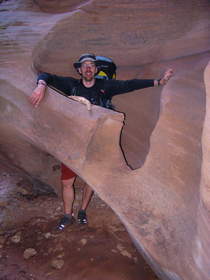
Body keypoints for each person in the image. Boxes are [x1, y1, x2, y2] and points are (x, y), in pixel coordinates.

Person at [30, 53, 173, 230]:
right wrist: (41, 86)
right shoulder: (71, 85)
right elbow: (46, 76)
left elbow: (130, 85)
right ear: (79, 70)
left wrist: (159, 82)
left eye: (92, 65)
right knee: (67, 182)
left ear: (96, 69)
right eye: (85, 65)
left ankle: (82, 211)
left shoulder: (106, 85)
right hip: (73, 141)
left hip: (97, 141)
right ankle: (68, 215)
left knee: (91, 180)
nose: (88, 68)